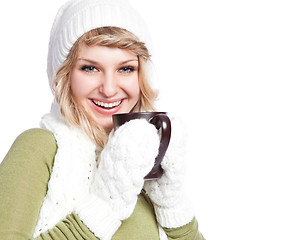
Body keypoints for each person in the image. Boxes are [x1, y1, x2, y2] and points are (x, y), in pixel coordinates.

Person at [0, 0, 205, 239]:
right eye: (90, 68)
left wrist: (172, 203)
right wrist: (103, 206)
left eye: (125, 69)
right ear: (65, 75)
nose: (108, 89)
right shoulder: (39, 147)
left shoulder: (145, 158)